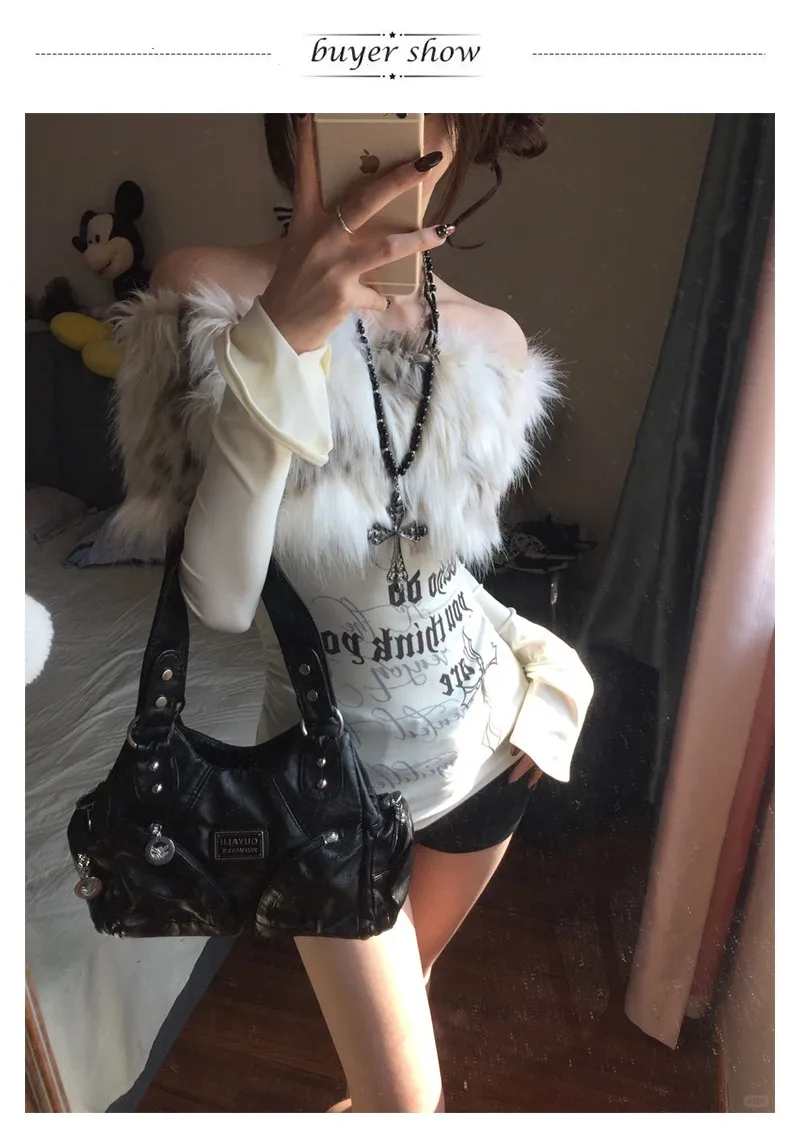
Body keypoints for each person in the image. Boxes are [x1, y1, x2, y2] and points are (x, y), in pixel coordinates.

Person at [110, 113, 594, 1113]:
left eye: (425, 93)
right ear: (296, 116)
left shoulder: (492, 339)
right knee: (406, 1097)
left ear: (459, 134)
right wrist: (281, 338)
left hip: (486, 747)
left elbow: (430, 570)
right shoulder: (203, 294)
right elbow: (219, 597)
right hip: (329, 786)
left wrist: (538, 661)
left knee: (399, 1030)